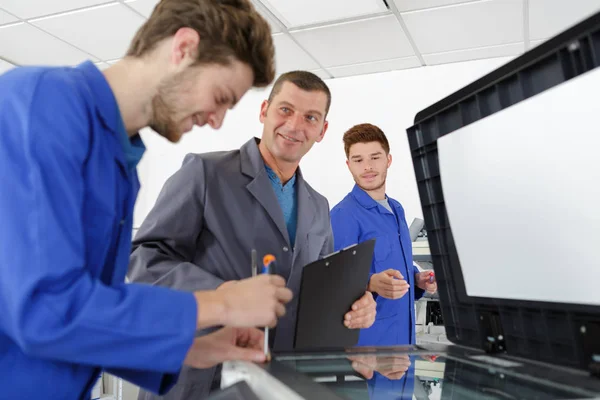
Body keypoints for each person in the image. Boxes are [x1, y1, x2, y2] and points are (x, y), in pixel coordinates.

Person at [0, 1, 294, 399]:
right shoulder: (42, 105)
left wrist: (198, 348)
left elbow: (88, 318)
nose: (217, 119)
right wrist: (219, 303)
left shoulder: (121, 163)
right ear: (183, 48)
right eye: (221, 96)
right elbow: (46, 310)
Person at [128, 70, 377, 399]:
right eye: (285, 110)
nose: (294, 125)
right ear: (264, 111)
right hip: (199, 376)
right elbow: (144, 259)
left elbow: (320, 291)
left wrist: (357, 305)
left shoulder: (318, 206)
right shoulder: (205, 173)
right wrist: (222, 295)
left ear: (321, 131)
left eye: (310, 117)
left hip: (277, 380)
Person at [330, 123, 437, 347]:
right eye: (358, 160)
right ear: (349, 165)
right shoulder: (343, 215)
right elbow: (335, 285)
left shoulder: (397, 209)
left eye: (375, 157)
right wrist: (370, 283)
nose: (367, 167)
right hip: (369, 348)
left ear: (388, 160)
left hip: (405, 341)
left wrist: (417, 280)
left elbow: (396, 263)